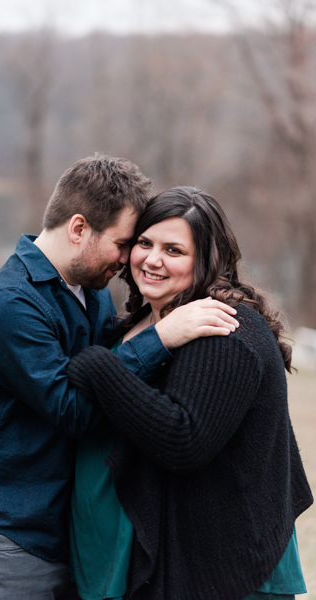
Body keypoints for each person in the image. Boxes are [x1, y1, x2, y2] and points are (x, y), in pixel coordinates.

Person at [0, 155, 240, 599]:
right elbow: (74, 410)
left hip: (52, 528)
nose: (126, 258)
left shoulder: (89, 293)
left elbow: (110, 375)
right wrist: (162, 337)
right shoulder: (10, 303)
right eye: (121, 243)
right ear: (79, 229)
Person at [67, 187, 313, 600]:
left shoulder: (226, 329)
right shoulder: (142, 320)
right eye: (144, 243)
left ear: (207, 259)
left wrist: (97, 365)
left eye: (174, 250)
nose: (153, 259)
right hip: (152, 564)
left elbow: (183, 439)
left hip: (228, 569)